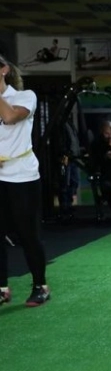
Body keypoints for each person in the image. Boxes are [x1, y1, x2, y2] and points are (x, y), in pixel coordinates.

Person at [0, 53, 51, 307]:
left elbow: (9, 118)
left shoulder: (24, 96)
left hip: (22, 176)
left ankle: (40, 285)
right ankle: (1, 288)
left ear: (4, 70)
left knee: (28, 234)